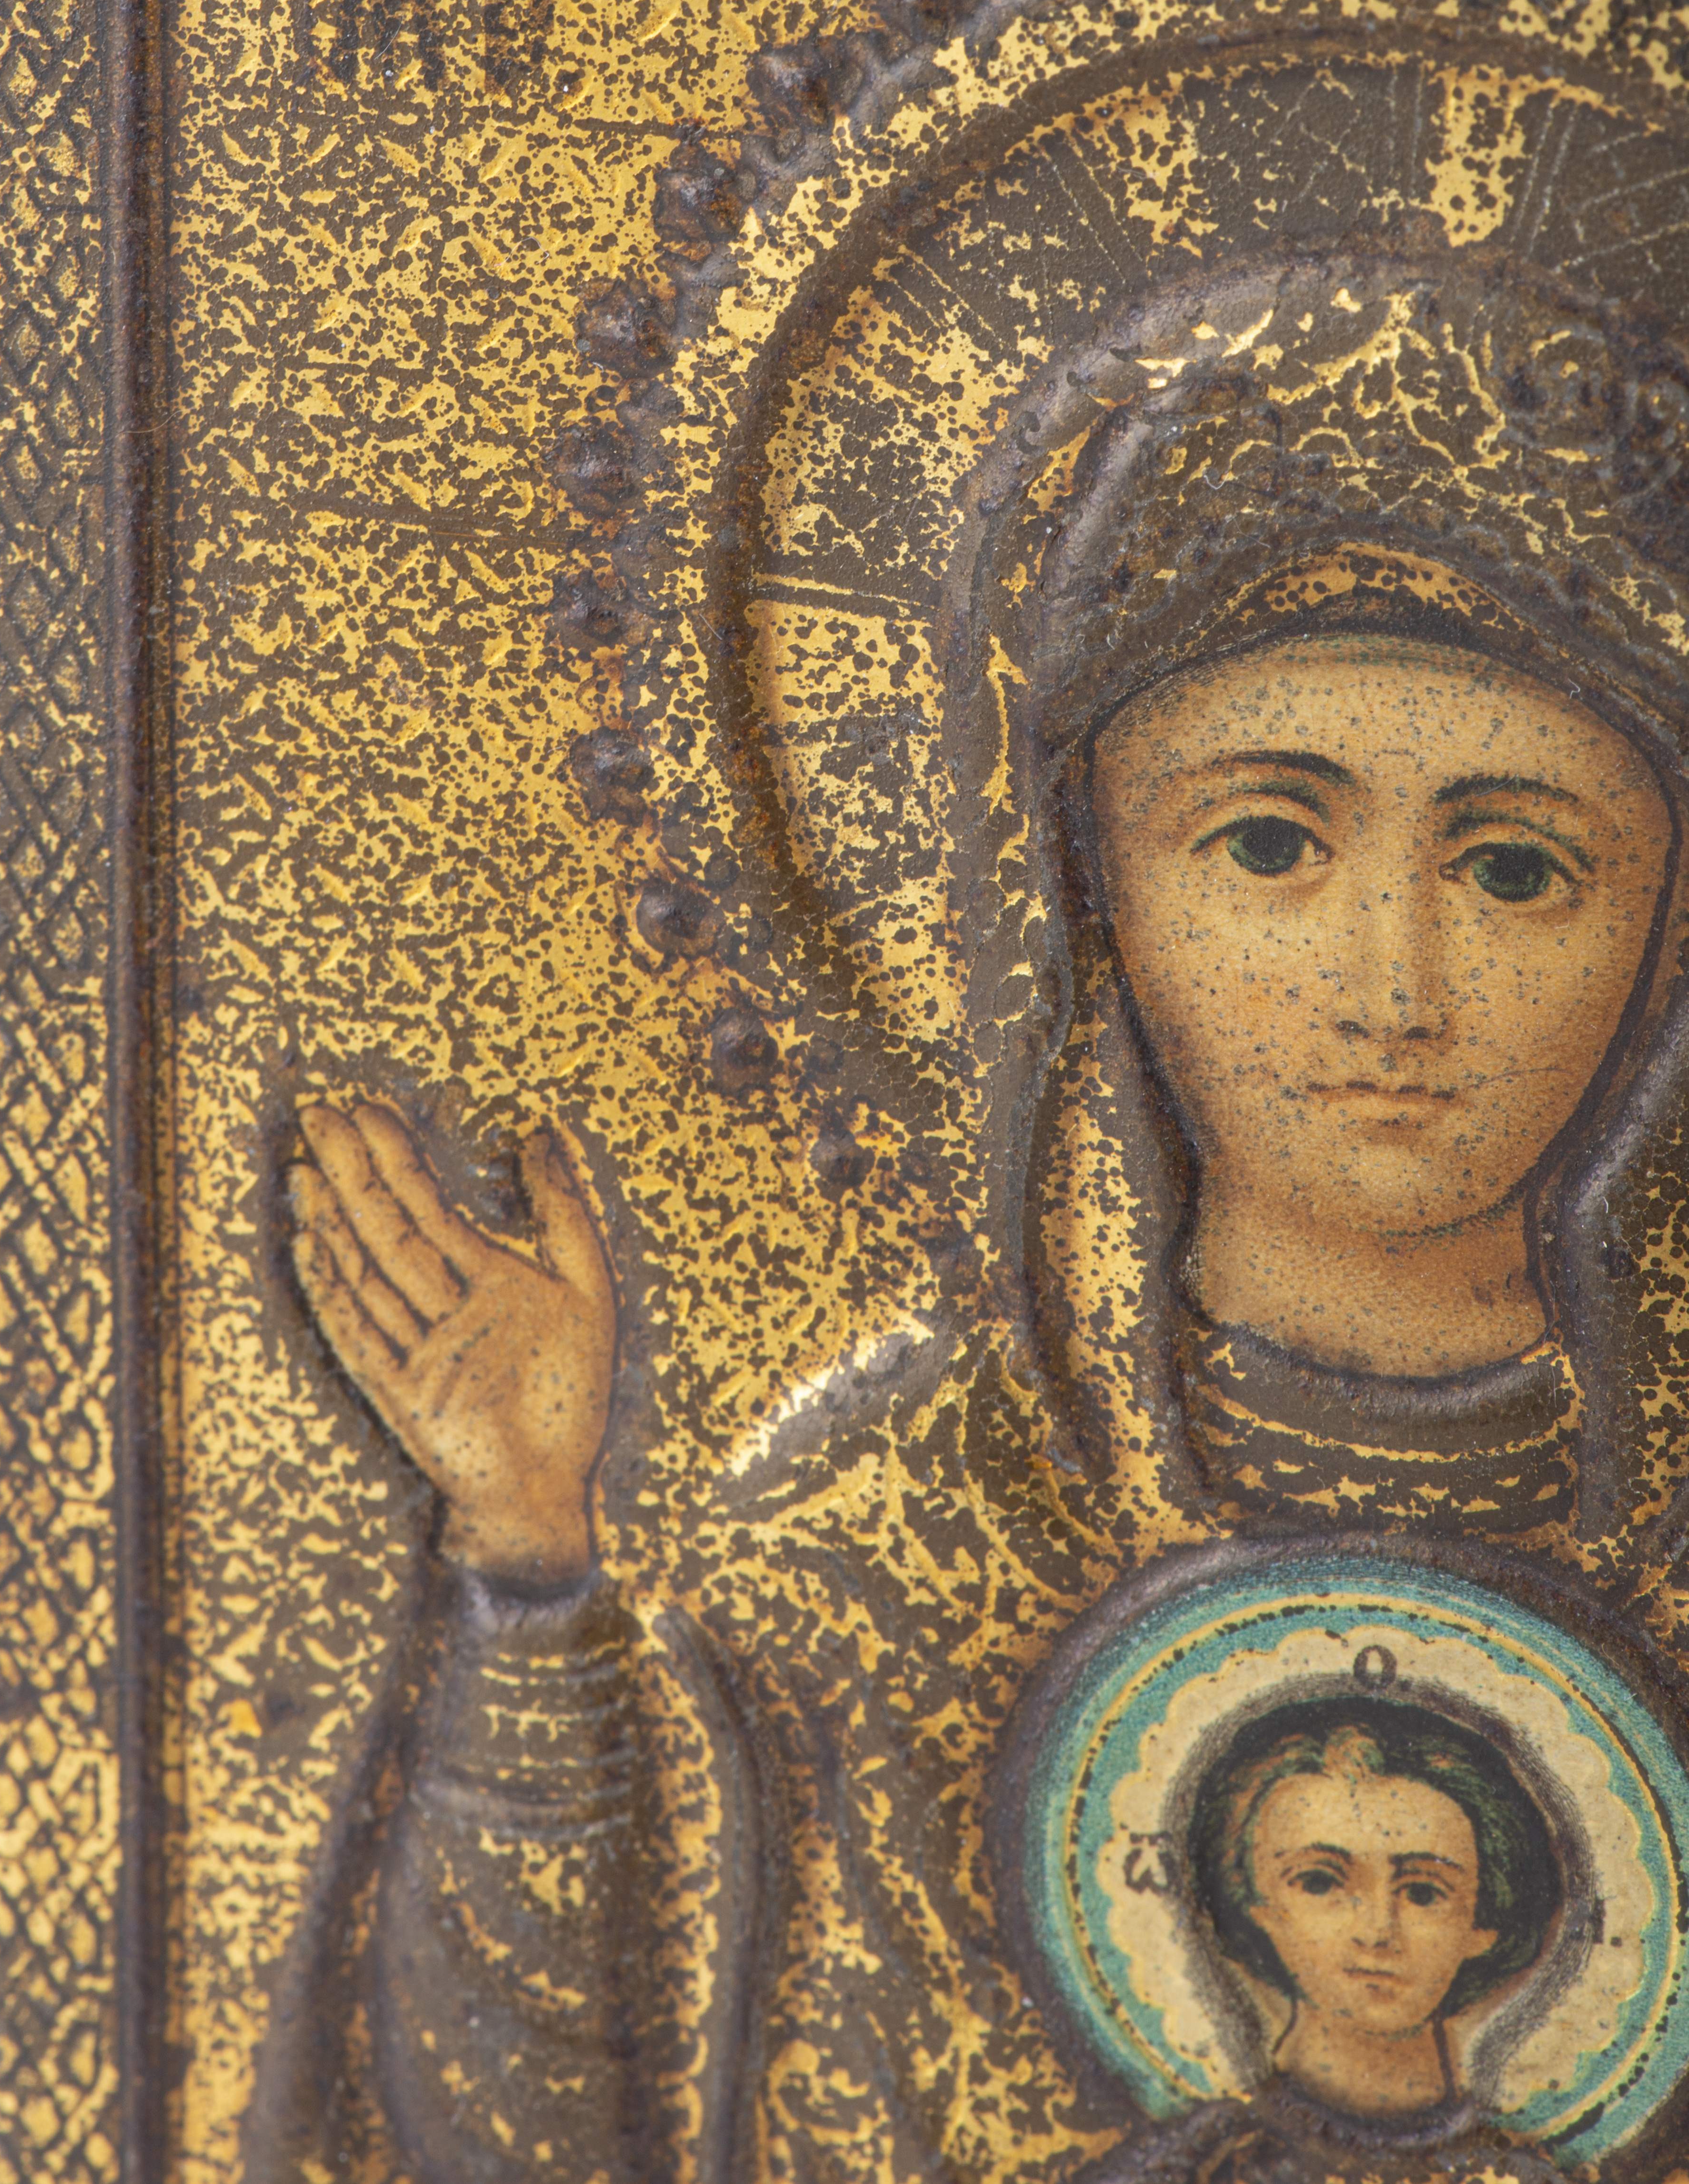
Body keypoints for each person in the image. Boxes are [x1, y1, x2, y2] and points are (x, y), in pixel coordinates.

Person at [263, 256, 1689, 2184]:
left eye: (1515, 868)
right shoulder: (866, 1546)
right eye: (1268, 843)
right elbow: (531, 2145)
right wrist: (527, 1568)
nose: (1394, 987)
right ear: (1082, 887)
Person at [1090, 1696, 1572, 2184]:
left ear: (1483, 1925)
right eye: (1320, 1883)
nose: (1376, 1933)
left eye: (1423, 1892)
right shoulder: (1202, 2165)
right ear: (1254, 1906)